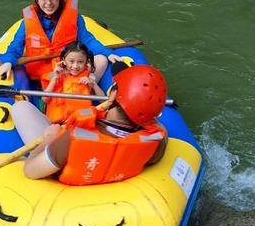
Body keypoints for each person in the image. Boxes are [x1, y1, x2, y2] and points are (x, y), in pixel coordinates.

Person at [13, 65, 168, 185]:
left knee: (20, 108)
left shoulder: (74, 137)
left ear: (113, 94)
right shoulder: (156, 140)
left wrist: (48, 138)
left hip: (62, 177)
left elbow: (30, 171)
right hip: (109, 180)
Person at [0, 0, 120, 83]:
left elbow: (87, 40)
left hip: (70, 70)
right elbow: (15, 47)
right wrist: (8, 62)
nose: (49, 3)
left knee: (101, 59)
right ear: (37, 0)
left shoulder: (74, 18)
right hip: (45, 76)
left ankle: (86, 90)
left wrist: (107, 53)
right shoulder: (27, 23)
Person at [41, 41, 105, 124]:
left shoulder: (89, 77)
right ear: (64, 60)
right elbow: (45, 100)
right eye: (71, 61)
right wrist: (55, 79)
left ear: (86, 62)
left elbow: (103, 101)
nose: (75, 66)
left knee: (92, 114)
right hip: (58, 122)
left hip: (79, 120)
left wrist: (93, 84)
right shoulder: (56, 74)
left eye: (80, 62)